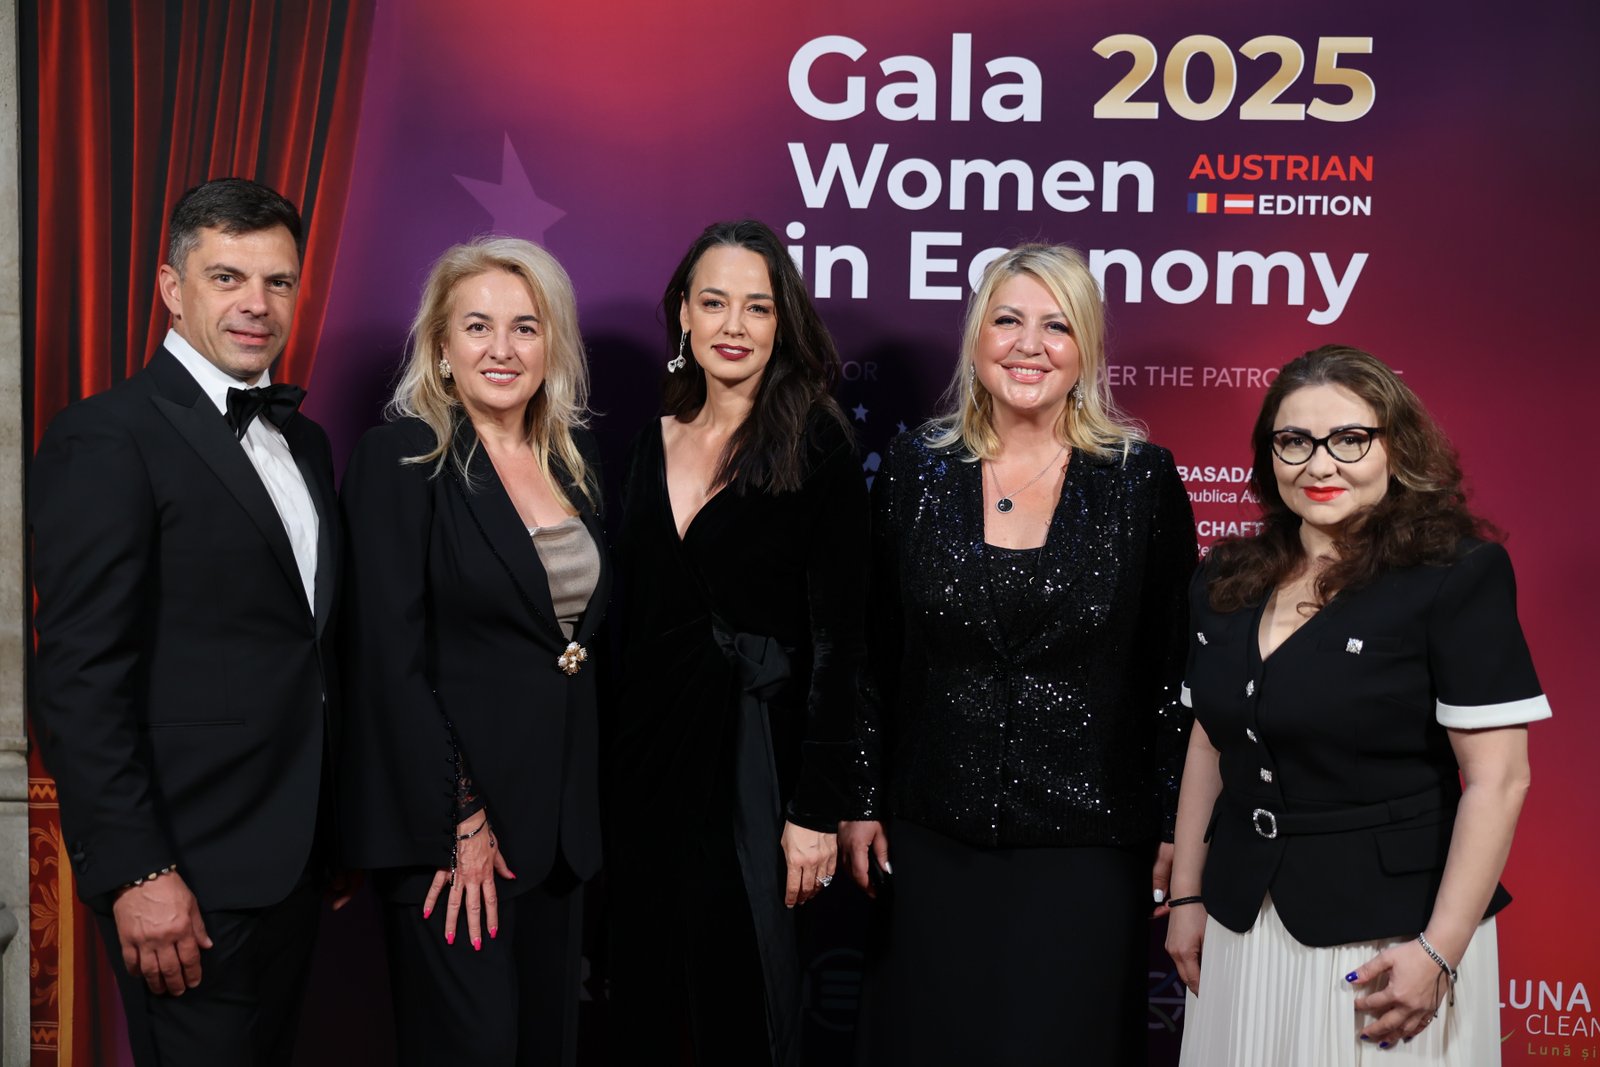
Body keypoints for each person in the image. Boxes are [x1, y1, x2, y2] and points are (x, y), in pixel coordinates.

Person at [843, 243, 1197, 1065]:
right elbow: (870, 649)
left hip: (1090, 847)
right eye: (1007, 320)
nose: (1029, 345)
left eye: (1056, 326)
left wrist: (1176, 820)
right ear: (976, 338)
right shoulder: (914, 469)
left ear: (1087, 351)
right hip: (930, 837)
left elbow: (1175, 668)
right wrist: (860, 794)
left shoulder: (1141, 481)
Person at [1166, 345, 1549, 1065]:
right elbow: (1208, 742)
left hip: (1392, 942)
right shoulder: (1225, 577)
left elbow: (1500, 779)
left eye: (1349, 439)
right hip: (1242, 922)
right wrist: (1187, 897)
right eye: (1294, 441)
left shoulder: (1455, 575)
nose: (1319, 465)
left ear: (1395, 446)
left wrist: (1439, 950)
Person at [29, 178, 339, 1066]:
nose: (257, 304)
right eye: (227, 277)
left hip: (296, 862)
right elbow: (79, 677)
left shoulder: (307, 442)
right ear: (171, 287)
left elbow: (305, 649)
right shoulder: (107, 436)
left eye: (278, 281)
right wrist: (137, 869)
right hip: (184, 872)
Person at [606, 219, 869, 1065]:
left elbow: (842, 643)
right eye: (714, 302)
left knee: (740, 999)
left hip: (756, 764)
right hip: (643, 760)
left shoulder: (817, 442)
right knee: (642, 995)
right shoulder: (646, 442)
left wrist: (814, 810)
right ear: (683, 313)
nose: (734, 325)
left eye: (757, 306)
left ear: (782, 322)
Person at [339, 237, 606, 1067]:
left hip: (558, 834)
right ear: (441, 346)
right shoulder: (402, 457)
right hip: (451, 835)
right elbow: (386, 659)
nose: (503, 348)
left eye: (526, 327)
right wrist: (459, 816)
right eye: (478, 326)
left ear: (552, 344)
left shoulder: (576, 463)